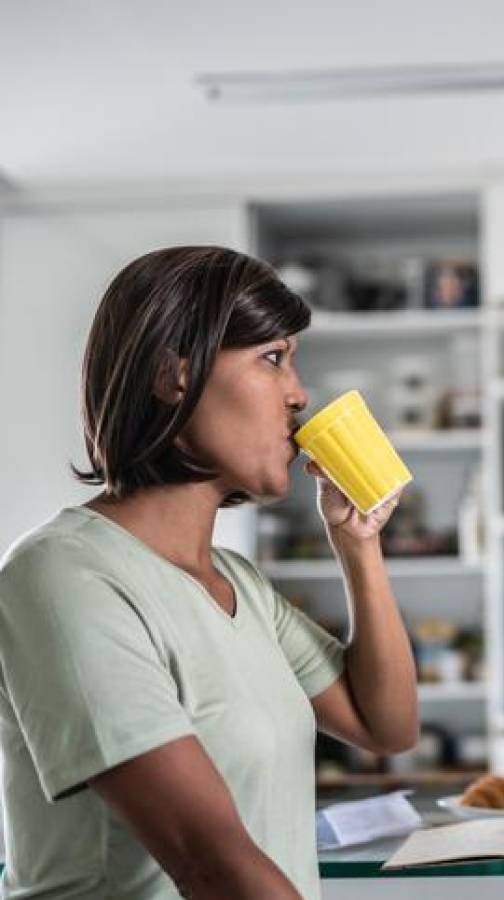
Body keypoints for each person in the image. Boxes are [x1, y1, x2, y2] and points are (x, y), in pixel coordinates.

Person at [0, 246, 419, 898]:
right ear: (174, 375)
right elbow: (208, 858)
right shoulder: (63, 580)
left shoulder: (239, 585)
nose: (299, 394)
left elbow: (383, 726)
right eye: (272, 358)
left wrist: (357, 545)